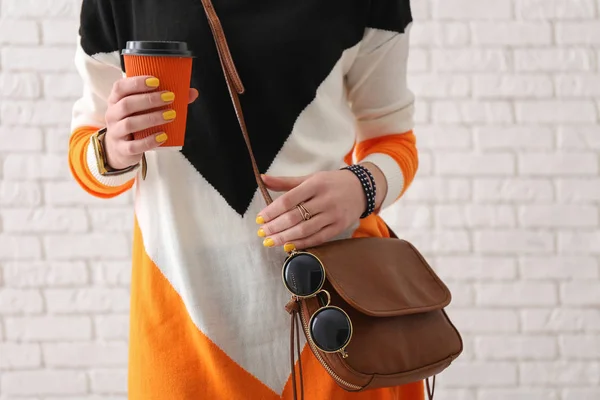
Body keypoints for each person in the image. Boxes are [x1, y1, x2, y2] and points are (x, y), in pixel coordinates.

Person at [69, 0, 421, 399]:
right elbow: (87, 147)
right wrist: (113, 148)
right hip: (186, 317)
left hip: (335, 312)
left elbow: (394, 139)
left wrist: (361, 187)